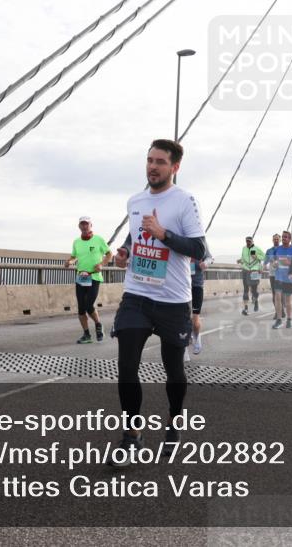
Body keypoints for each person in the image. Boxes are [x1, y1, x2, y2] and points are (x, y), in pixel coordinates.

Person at [111, 139, 207, 463]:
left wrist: (164, 234)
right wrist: (124, 252)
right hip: (137, 295)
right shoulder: (135, 201)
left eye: (160, 162)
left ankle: (173, 421)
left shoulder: (184, 201)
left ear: (175, 167)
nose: (152, 166)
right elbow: (135, 236)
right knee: (126, 368)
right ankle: (132, 435)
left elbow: (198, 250)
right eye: (149, 160)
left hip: (172, 301)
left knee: (173, 371)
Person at [65, 216, 111, 343]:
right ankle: (87, 335)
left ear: (91, 225)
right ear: (79, 226)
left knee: (88, 304)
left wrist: (102, 264)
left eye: (86, 224)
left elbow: (109, 254)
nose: (84, 226)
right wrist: (70, 261)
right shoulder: (76, 242)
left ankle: (98, 325)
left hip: (94, 276)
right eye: (82, 224)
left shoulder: (98, 239)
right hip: (81, 277)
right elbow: (74, 256)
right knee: (81, 308)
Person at [269, 230, 292, 330]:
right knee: (277, 297)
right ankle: (279, 320)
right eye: (283, 237)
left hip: (289, 279)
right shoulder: (277, 249)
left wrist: (289, 263)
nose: (284, 238)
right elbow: (273, 261)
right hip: (278, 278)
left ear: (290, 239)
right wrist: (274, 264)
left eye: (286, 237)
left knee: (287, 301)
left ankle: (289, 319)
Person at [188, 250, 212, 357]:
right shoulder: (177, 239)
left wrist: (205, 263)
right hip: (181, 285)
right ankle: (184, 347)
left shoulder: (199, 240)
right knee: (182, 317)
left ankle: (197, 336)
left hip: (197, 285)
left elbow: (210, 258)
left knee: (195, 319)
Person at [237, 236, 261, 315]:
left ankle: (256, 301)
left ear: (252, 241)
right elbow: (244, 258)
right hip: (245, 271)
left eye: (249, 241)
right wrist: (240, 260)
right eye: (247, 241)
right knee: (246, 289)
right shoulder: (244, 248)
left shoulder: (255, 249)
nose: (248, 242)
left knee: (254, 290)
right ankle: (246, 309)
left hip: (254, 271)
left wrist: (259, 267)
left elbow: (262, 258)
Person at [263, 233, 280, 320]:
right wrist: (264, 266)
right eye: (274, 239)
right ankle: (277, 312)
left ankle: (281, 309)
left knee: (281, 294)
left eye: (277, 239)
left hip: (282, 275)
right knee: (274, 293)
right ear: (272, 240)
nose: (276, 240)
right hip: (272, 274)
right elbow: (265, 261)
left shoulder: (283, 249)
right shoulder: (269, 251)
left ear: (279, 240)